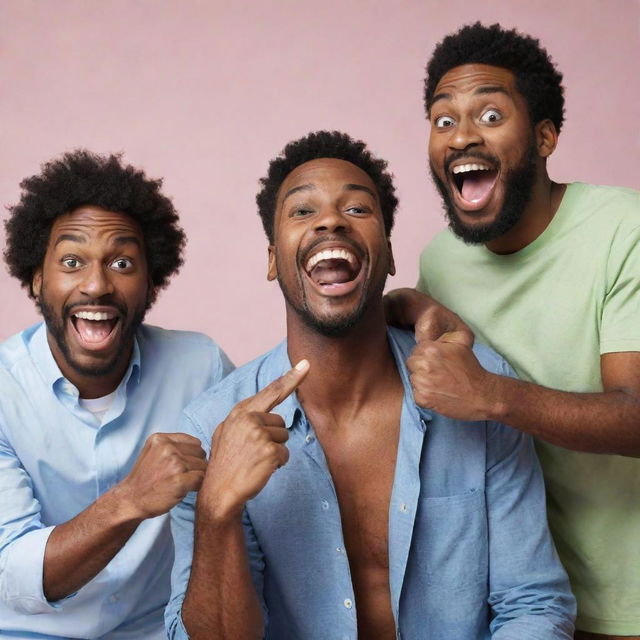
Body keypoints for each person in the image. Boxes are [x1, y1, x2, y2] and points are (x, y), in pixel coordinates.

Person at [166, 130, 575, 640]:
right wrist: (217, 510)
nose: (331, 220)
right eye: (302, 211)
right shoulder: (212, 430)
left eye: (357, 209)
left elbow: (533, 604)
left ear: (387, 253)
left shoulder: (476, 388)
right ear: (273, 259)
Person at [387, 23, 640, 640]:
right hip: (518, 603)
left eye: (491, 114)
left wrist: (494, 396)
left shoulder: (621, 229)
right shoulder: (442, 261)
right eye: (443, 120)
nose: (462, 135)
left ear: (546, 136)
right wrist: (406, 305)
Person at [0, 150, 233, 639]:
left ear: (151, 281)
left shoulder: (201, 368)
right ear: (37, 279)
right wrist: (131, 498)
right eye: (71, 261)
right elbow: (12, 571)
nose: (97, 285)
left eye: (122, 262)